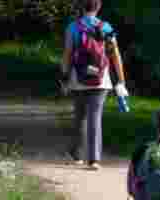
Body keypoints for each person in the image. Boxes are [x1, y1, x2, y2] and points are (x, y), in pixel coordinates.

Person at [58, 0, 128, 170]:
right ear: (99, 7)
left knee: (80, 117)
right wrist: (121, 80)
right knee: (95, 117)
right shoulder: (106, 27)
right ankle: (94, 160)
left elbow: (67, 54)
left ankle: (77, 156)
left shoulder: (73, 27)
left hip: (78, 79)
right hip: (101, 80)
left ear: (82, 7)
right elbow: (115, 54)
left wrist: (64, 77)